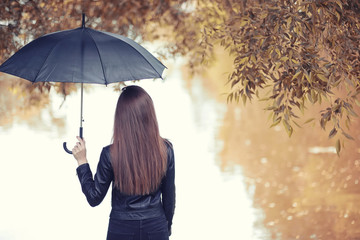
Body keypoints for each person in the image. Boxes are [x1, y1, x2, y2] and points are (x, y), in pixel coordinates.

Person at [72, 85, 175, 240]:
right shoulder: (165, 149)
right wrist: (166, 227)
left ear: (121, 118)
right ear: (150, 114)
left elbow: (94, 198)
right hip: (156, 226)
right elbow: (169, 197)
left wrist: (82, 161)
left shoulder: (110, 154)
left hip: (122, 228)